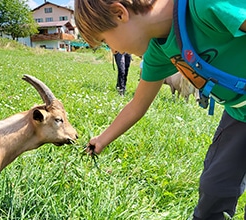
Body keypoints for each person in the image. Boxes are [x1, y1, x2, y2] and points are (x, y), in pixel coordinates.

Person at [74, 0, 246, 219]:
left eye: (106, 41)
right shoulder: (160, 50)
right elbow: (137, 105)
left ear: (119, 13)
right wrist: (102, 139)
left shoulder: (204, 5)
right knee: (214, 186)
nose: (115, 50)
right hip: (239, 115)